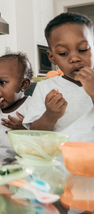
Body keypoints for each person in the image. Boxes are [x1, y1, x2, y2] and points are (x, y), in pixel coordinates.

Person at [23, 12, 94, 142]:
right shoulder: (45, 87)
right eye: (63, 53)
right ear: (52, 58)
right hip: (58, 160)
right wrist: (50, 116)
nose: (74, 58)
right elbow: (34, 135)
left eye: (83, 49)